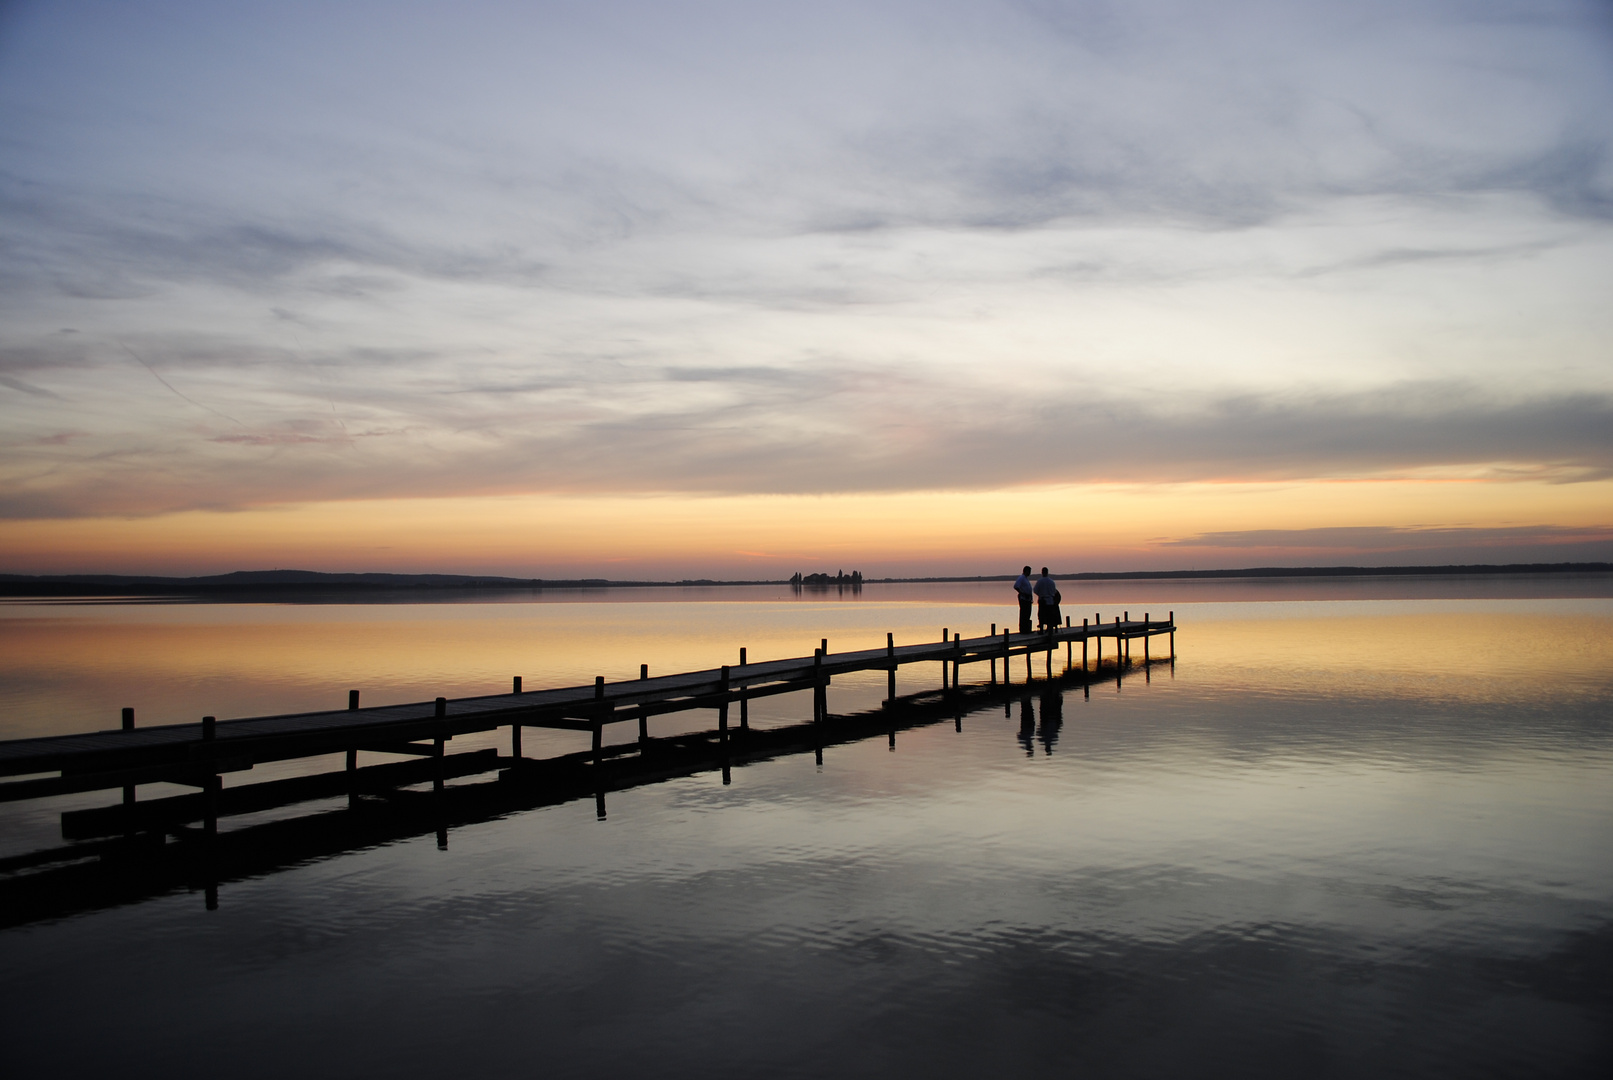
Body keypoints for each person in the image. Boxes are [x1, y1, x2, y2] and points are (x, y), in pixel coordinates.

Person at [1013, 565, 1034, 633]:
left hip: (1027, 599)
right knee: (1024, 614)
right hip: (1024, 599)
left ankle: (1026, 629)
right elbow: (1016, 586)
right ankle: (1023, 630)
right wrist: (1023, 594)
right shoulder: (1021, 578)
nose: (1030, 573)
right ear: (1026, 571)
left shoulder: (1025, 578)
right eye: (1029, 571)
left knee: (1027, 614)